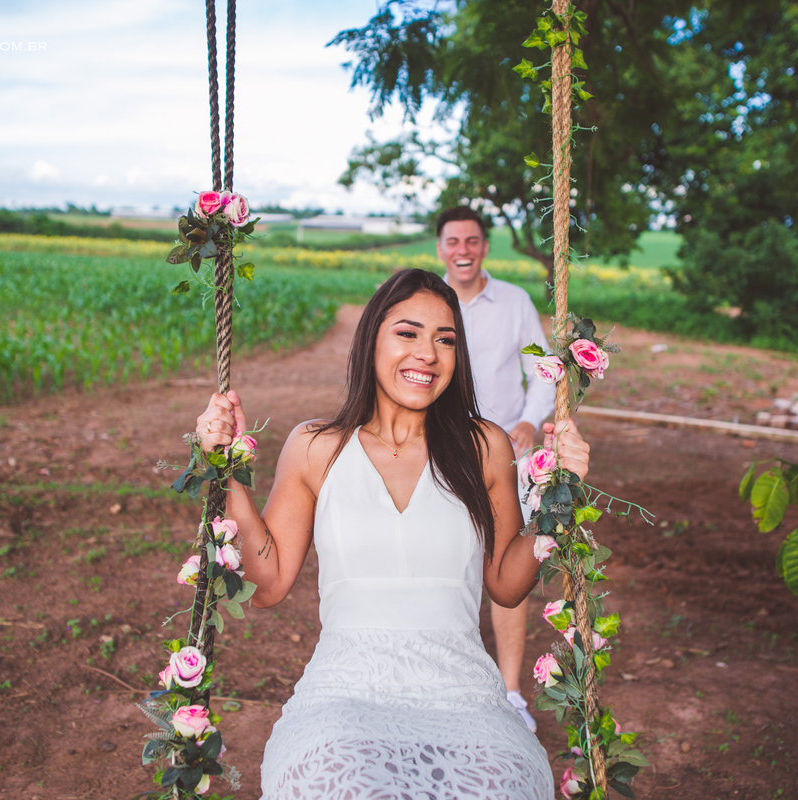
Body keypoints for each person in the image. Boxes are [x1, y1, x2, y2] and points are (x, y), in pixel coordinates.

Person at [196, 268, 591, 798]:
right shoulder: (316, 446)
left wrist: (555, 495)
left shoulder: (484, 447)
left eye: (445, 339)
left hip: (463, 690)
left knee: (504, 784)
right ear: (371, 340)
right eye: (408, 333)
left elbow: (505, 584)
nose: (427, 353)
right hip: (345, 688)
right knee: (331, 781)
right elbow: (267, 585)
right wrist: (228, 472)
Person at [436, 205, 555, 733]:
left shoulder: (514, 303)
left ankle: (509, 692)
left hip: (508, 451)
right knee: (442, 570)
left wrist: (530, 422)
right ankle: (446, 683)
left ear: (485, 246)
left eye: (472, 240)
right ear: (440, 248)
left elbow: (543, 370)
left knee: (506, 570)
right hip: (440, 453)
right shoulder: (428, 303)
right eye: (453, 241)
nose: (463, 250)